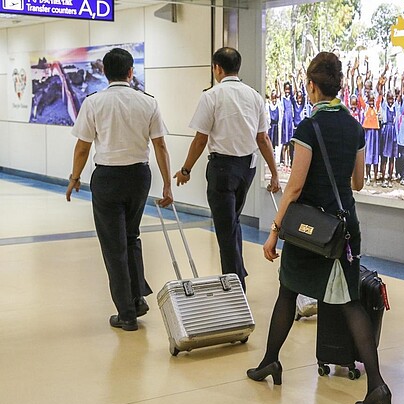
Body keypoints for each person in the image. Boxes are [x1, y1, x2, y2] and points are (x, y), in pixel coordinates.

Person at [247, 52, 392, 404]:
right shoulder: (355, 126)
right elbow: (357, 183)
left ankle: (273, 361)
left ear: (312, 86)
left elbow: (294, 188)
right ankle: (374, 383)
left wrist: (274, 231)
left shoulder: (308, 128)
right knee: (344, 299)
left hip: (312, 229)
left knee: (291, 291)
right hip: (344, 227)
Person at [66, 47, 173, 332]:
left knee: (114, 246)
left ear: (104, 72)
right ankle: (136, 299)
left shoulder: (93, 103)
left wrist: (75, 177)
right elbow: (160, 144)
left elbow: (83, 146)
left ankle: (126, 314)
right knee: (131, 237)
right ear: (130, 72)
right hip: (140, 176)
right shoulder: (147, 102)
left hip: (108, 178)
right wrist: (167, 184)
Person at [174, 47, 280, 292]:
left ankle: (235, 288)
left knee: (225, 230)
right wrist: (273, 173)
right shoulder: (254, 96)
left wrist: (186, 169)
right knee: (233, 222)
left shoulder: (211, 96)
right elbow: (263, 138)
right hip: (247, 169)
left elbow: (200, 139)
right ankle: (238, 269)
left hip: (222, 169)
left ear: (217, 68)